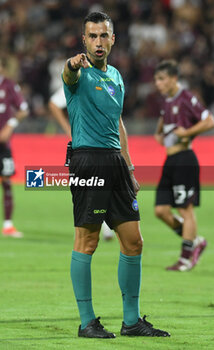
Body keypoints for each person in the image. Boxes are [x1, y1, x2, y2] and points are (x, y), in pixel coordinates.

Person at [62, 12, 170, 338]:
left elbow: (118, 124)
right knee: (88, 240)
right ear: (84, 40)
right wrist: (71, 64)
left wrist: (130, 166)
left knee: (134, 242)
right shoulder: (78, 73)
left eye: (103, 36)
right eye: (92, 36)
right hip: (88, 161)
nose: (98, 42)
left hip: (115, 163)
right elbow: (66, 75)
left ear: (113, 39)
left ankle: (132, 321)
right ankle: (86, 322)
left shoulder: (117, 77)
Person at [153, 59, 214, 272]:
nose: (158, 84)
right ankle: (195, 240)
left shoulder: (187, 97)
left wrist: (187, 133)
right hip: (170, 160)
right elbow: (164, 120)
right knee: (161, 210)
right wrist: (159, 132)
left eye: (161, 79)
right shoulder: (167, 100)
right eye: (156, 80)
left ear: (173, 79)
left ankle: (186, 258)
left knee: (185, 209)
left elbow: (210, 121)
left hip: (185, 160)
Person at [48, 87, 114, 240]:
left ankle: (100, 225)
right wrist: (68, 129)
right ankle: (98, 226)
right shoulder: (76, 82)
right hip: (84, 145)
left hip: (103, 141)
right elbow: (53, 104)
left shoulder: (107, 78)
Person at [0, 57, 29, 238]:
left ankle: (8, 225)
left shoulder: (9, 85)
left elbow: (23, 109)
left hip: (3, 145)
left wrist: (10, 125)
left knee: (7, 181)